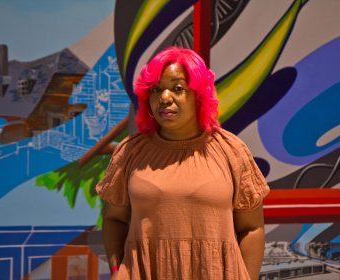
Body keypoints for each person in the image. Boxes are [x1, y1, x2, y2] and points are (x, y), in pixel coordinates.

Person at [96, 47, 270, 280]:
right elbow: (113, 219)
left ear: (198, 95)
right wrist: (118, 271)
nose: (164, 98)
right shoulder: (130, 152)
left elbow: (251, 227)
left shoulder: (231, 151)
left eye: (177, 88)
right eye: (156, 89)